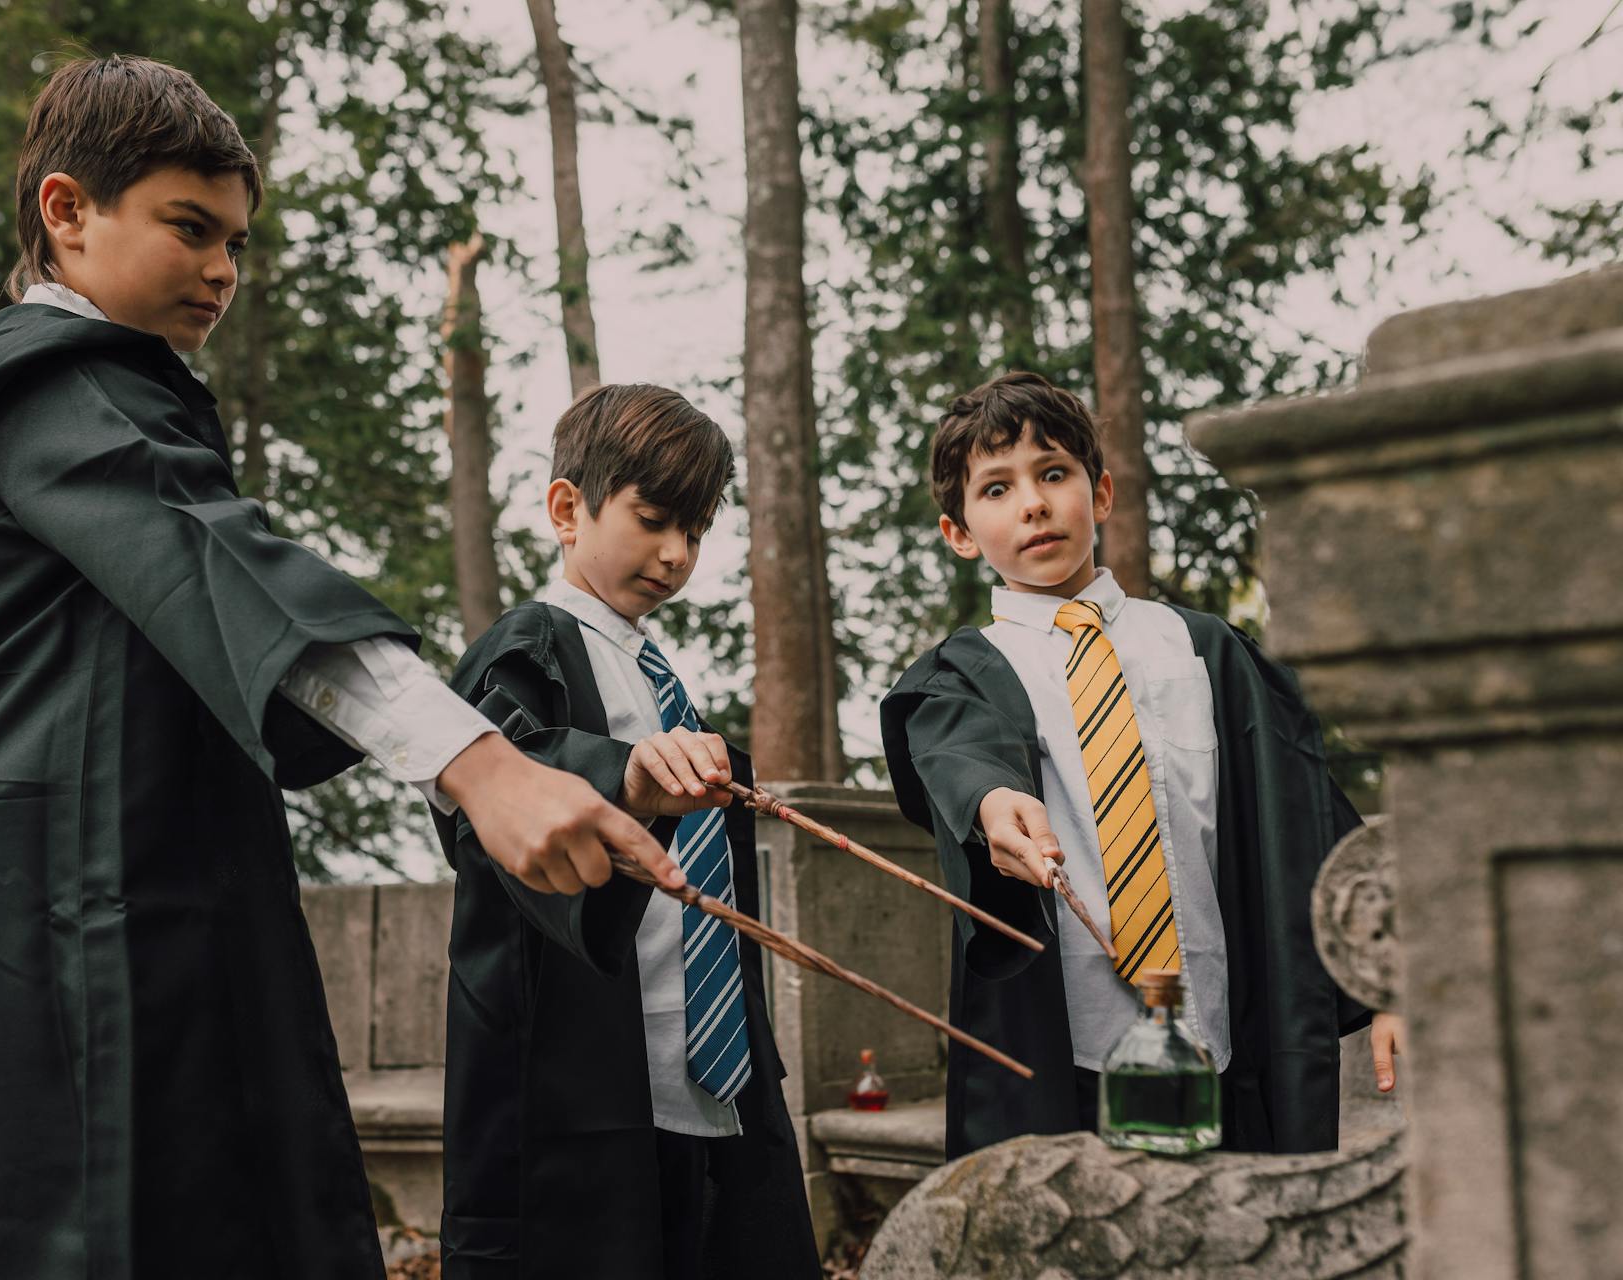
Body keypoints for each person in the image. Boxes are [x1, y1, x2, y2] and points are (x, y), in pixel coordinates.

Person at [0, 55, 682, 1279]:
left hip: (51, 904)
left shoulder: (63, 398)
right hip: (60, 925)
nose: (224, 269)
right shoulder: (54, 387)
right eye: (189, 227)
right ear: (67, 211)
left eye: (235, 239)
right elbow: (220, 564)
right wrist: (484, 767)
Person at [879, 370, 1404, 1158]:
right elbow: (958, 753)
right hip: (1068, 1058)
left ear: (1102, 493)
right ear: (959, 532)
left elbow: (1305, 818)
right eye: (996, 489)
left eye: (1054, 474)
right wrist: (992, 805)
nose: (1033, 503)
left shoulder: (1206, 653)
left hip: (1222, 1040)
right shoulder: (964, 673)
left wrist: (1381, 979)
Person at [431, 384, 821, 1279]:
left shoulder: (659, 676)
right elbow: (497, 779)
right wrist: (625, 780)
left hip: (707, 1066)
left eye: (697, 529)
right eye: (651, 519)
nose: (676, 554)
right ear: (568, 508)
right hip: (583, 1071)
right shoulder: (526, 648)